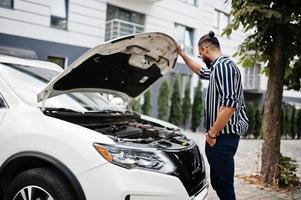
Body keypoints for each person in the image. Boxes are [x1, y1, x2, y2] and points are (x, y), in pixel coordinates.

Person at [177, 31, 249, 200]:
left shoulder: (224, 67)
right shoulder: (218, 68)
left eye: (200, 54)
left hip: (222, 137)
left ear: (206, 49)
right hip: (219, 137)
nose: (201, 57)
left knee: (225, 188)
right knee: (219, 184)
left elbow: (229, 105)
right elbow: (201, 71)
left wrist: (212, 133)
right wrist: (182, 54)